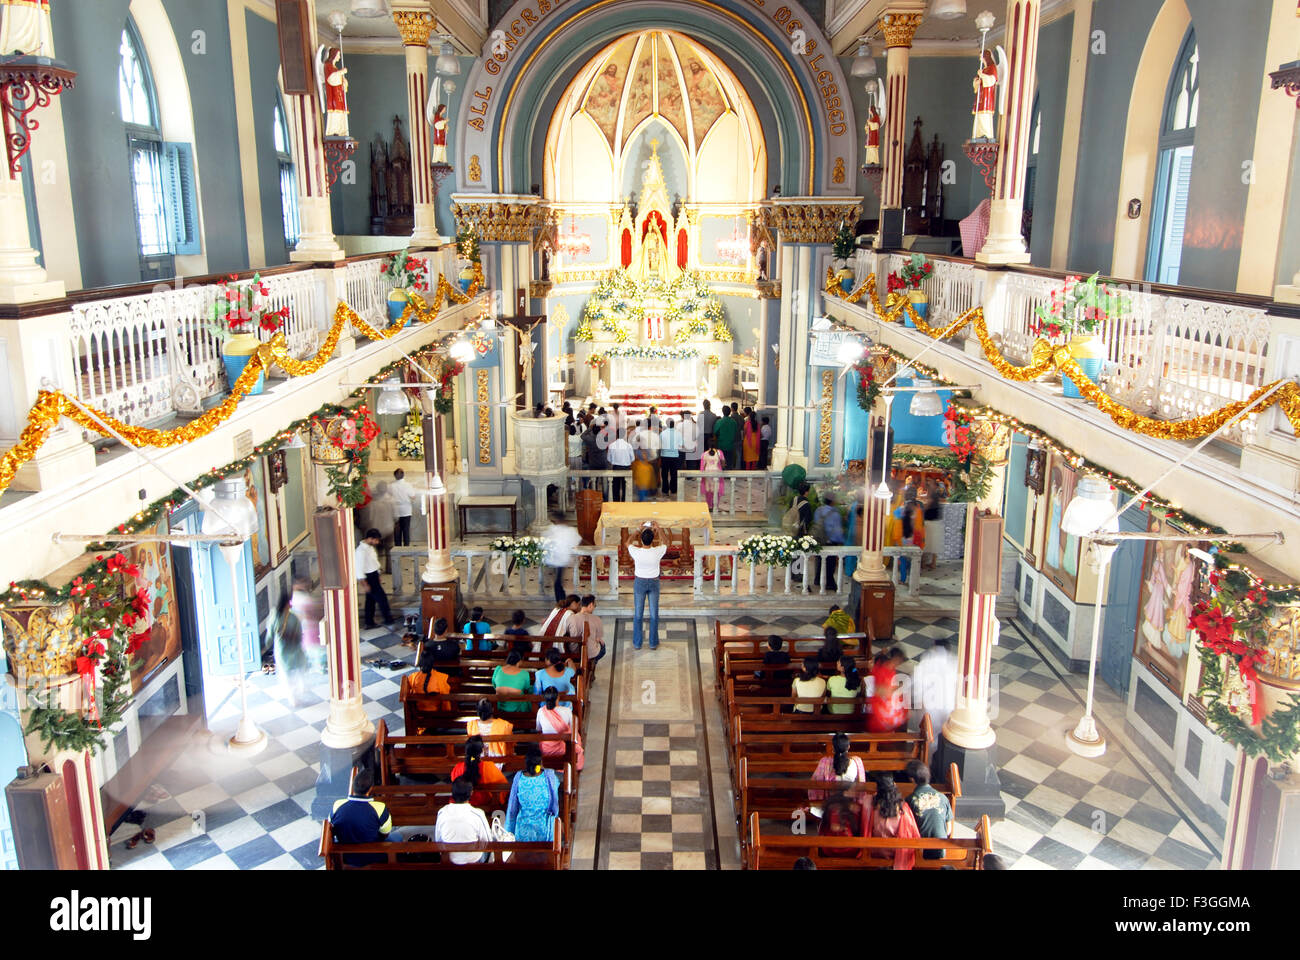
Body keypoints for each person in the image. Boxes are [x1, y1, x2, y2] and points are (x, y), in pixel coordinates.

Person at [330, 765, 398, 866]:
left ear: (353, 787)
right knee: (398, 837)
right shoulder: (380, 808)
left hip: (345, 856)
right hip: (372, 856)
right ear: (370, 789)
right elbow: (385, 833)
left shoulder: (337, 805)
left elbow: (332, 829)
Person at [862, 773, 921, 870]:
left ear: (878, 789)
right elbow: (912, 832)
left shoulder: (869, 801)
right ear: (894, 786)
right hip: (896, 851)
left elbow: (863, 825)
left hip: (874, 849)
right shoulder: (902, 808)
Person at [434, 776, 494, 865]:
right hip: (473, 860)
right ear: (471, 793)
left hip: (450, 859)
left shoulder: (442, 812)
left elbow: (438, 839)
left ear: (452, 793)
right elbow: (487, 841)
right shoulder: (477, 814)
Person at [911, 637, 957, 750]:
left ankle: (927, 760)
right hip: (948, 706)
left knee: (929, 736)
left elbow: (917, 684)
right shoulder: (954, 661)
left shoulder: (926, 661)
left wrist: (918, 702)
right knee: (945, 735)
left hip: (930, 708)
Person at [505, 747, 560, 842]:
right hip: (545, 831)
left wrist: (509, 831)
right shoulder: (550, 777)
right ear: (541, 763)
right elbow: (554, 804)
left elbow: (512, 808)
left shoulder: (518, 777)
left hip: (523, 832)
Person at [808, 732, 867, 816]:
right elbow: (861, 785)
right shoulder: (857, 762)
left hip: (831, 803)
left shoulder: (825, 762)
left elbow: (815, 783)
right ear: (848, 747)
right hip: (850, 804)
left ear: (833, 748)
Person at [905, 759, 953, 860]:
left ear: (912, 780)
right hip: (941, 849)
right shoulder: (943, 797)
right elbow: (948, 830)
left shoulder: (910, 800)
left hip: (920, 851)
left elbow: (907, 829)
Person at [629, 523, 666, 650]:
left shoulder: (636, 551)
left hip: (640, 582)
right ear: (653, 539)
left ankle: (637, 643)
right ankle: (652, 643)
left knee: (638, 614)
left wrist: (637, 529)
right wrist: (659, 529)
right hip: (654, 582)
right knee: (654, 614)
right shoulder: (657, 551)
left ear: (640, 540)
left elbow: (627, 542)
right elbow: (666, 543)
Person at [448, 736, 509, 810]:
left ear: (466, 750)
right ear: (482, 750)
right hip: (486, 805)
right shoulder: (489, 767)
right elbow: (504, 787)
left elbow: (456, 787)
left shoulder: (458, 768)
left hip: (463, 805)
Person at [271, 592, 308, 707]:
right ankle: (299, 690)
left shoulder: (274, 616)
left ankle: (292, 697)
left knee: (286, 674)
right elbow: (299, 633)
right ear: (288, 604)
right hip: (295, 649)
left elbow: (270, 635)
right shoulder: (293, 617)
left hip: (281, 649)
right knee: (299, 669)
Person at [355, 528, 395, 629]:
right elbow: (359, 570)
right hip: (369, 578)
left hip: (374, 575)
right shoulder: (360, 551)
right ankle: (389, 621)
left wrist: (378, 574)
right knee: (382, 599)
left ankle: (369, 622)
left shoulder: (370, 547)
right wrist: (365, 584)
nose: (377, 542)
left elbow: (374, 561)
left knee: (370, 601)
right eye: (376, 540)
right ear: (370, 538)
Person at [536, 686, 585, 770]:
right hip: (564, 748)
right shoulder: (566, 711)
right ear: (558, 697)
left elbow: (538, 729)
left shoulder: (541, 711)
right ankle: (571, 766)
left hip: (546, 749)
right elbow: (573, 729)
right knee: (577, 737)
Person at [868, 649, 909, 732]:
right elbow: (879, 690)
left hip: (886, 700)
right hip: (880, 702)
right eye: (899, 661)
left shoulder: (890, 668)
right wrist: (895, 689)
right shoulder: (882, 670)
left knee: (904, 710)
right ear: (895, 659)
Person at [290, 577, 326, 673]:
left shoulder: (298, 597)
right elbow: (311, 611)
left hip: (305, 627)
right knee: (314, 648)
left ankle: (314, 665)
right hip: (309, 627)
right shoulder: (302, 598)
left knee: (311, 647)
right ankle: (318, 666)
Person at [812, 493, 846, 590]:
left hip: (819, 540)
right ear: (832, 501)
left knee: (819, 560)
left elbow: (816, 523)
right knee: (830, 564)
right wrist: (841, 541)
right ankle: (829, 583)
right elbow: (837, 530)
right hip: (830, 541)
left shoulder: (818, 510)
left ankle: (817, 579)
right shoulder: (835, 514)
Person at [543, 520, 582, 603]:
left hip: (560, 561)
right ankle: (562, 601)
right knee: (558, 583)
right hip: (558, 560)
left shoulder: (556, 529)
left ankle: (561, 603)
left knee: (557, 583)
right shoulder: (566, 530)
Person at [466, 699, 513, 768]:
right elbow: (510, 743)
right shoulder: (504, 724)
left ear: (478, 711)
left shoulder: (471, 725)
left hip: (477, 758)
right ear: (492, 710)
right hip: (498, 759)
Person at [568, 594, 606, 677]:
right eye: (594, 605)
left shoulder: (571, 618)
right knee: (603, 646)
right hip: (590, 653)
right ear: (591, 605)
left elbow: (568, 633)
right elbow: (598, 639)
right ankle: (592, 663)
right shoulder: (597, 619)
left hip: (575, 652)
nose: (594, 607)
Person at [389, 468, 415, 547]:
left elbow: (388, 497)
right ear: (403, 475)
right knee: (406, 529)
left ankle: (398, 547)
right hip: (406, 509)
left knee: (397, 530)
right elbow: (413, 496)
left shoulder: (391, 486)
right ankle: (406, 546)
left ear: (395, 476)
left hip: (395, 510)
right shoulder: (407, 485)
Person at [921, 484, 944, 571]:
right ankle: (933, 563)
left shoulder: (931, 498)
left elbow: (925, 508)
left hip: (930, 523)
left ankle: (923, 563)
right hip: (936, 522)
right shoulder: (935, 498)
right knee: (934, 545)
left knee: (926, 543)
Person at [700, 441, 727, 510]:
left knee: (708, 490)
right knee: (716, 490)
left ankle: (709, 506)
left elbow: (702, 466)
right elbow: (723, 462)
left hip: (707, 473)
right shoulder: (719, 452)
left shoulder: (704, 454)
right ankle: (715, 506)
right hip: (716, 473)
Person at [608, 429, 634, 501]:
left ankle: (616, 501)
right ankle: (624, 501)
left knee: (615, 486)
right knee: (625, 486)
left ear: (616, 434)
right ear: (624, 435)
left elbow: (609, 459)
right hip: (626, 467)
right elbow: (633, 459)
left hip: (616, 467)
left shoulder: (612, 445)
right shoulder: (628, 445)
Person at [659, 418, 682, 495]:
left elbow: (659, 445)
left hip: (664, 456)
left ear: (667, 425)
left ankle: (665, 490)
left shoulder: (662, 433)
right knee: (674, 474)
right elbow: (681, 445)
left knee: (664, 474)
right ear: (674, 424)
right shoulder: (678, 433)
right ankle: (673, 489)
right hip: (675, 456)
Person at [712, 404, 739, 468]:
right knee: (729, 463)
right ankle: (729, 476)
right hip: (730, 445)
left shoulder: (719, 422)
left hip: (721, 445)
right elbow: (736, 432)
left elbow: (715, 432)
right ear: (730, 412)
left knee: (721, 463)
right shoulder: (733, 422)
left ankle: (722, 476)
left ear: (722, 412)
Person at [680, 411, 702, 475]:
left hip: (682, 446)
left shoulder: (679, 425)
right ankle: (690, 476)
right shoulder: (695, 425)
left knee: (681, 462)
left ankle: (681, 476)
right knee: (691, 463)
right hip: (691, 446)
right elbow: (697, 436)